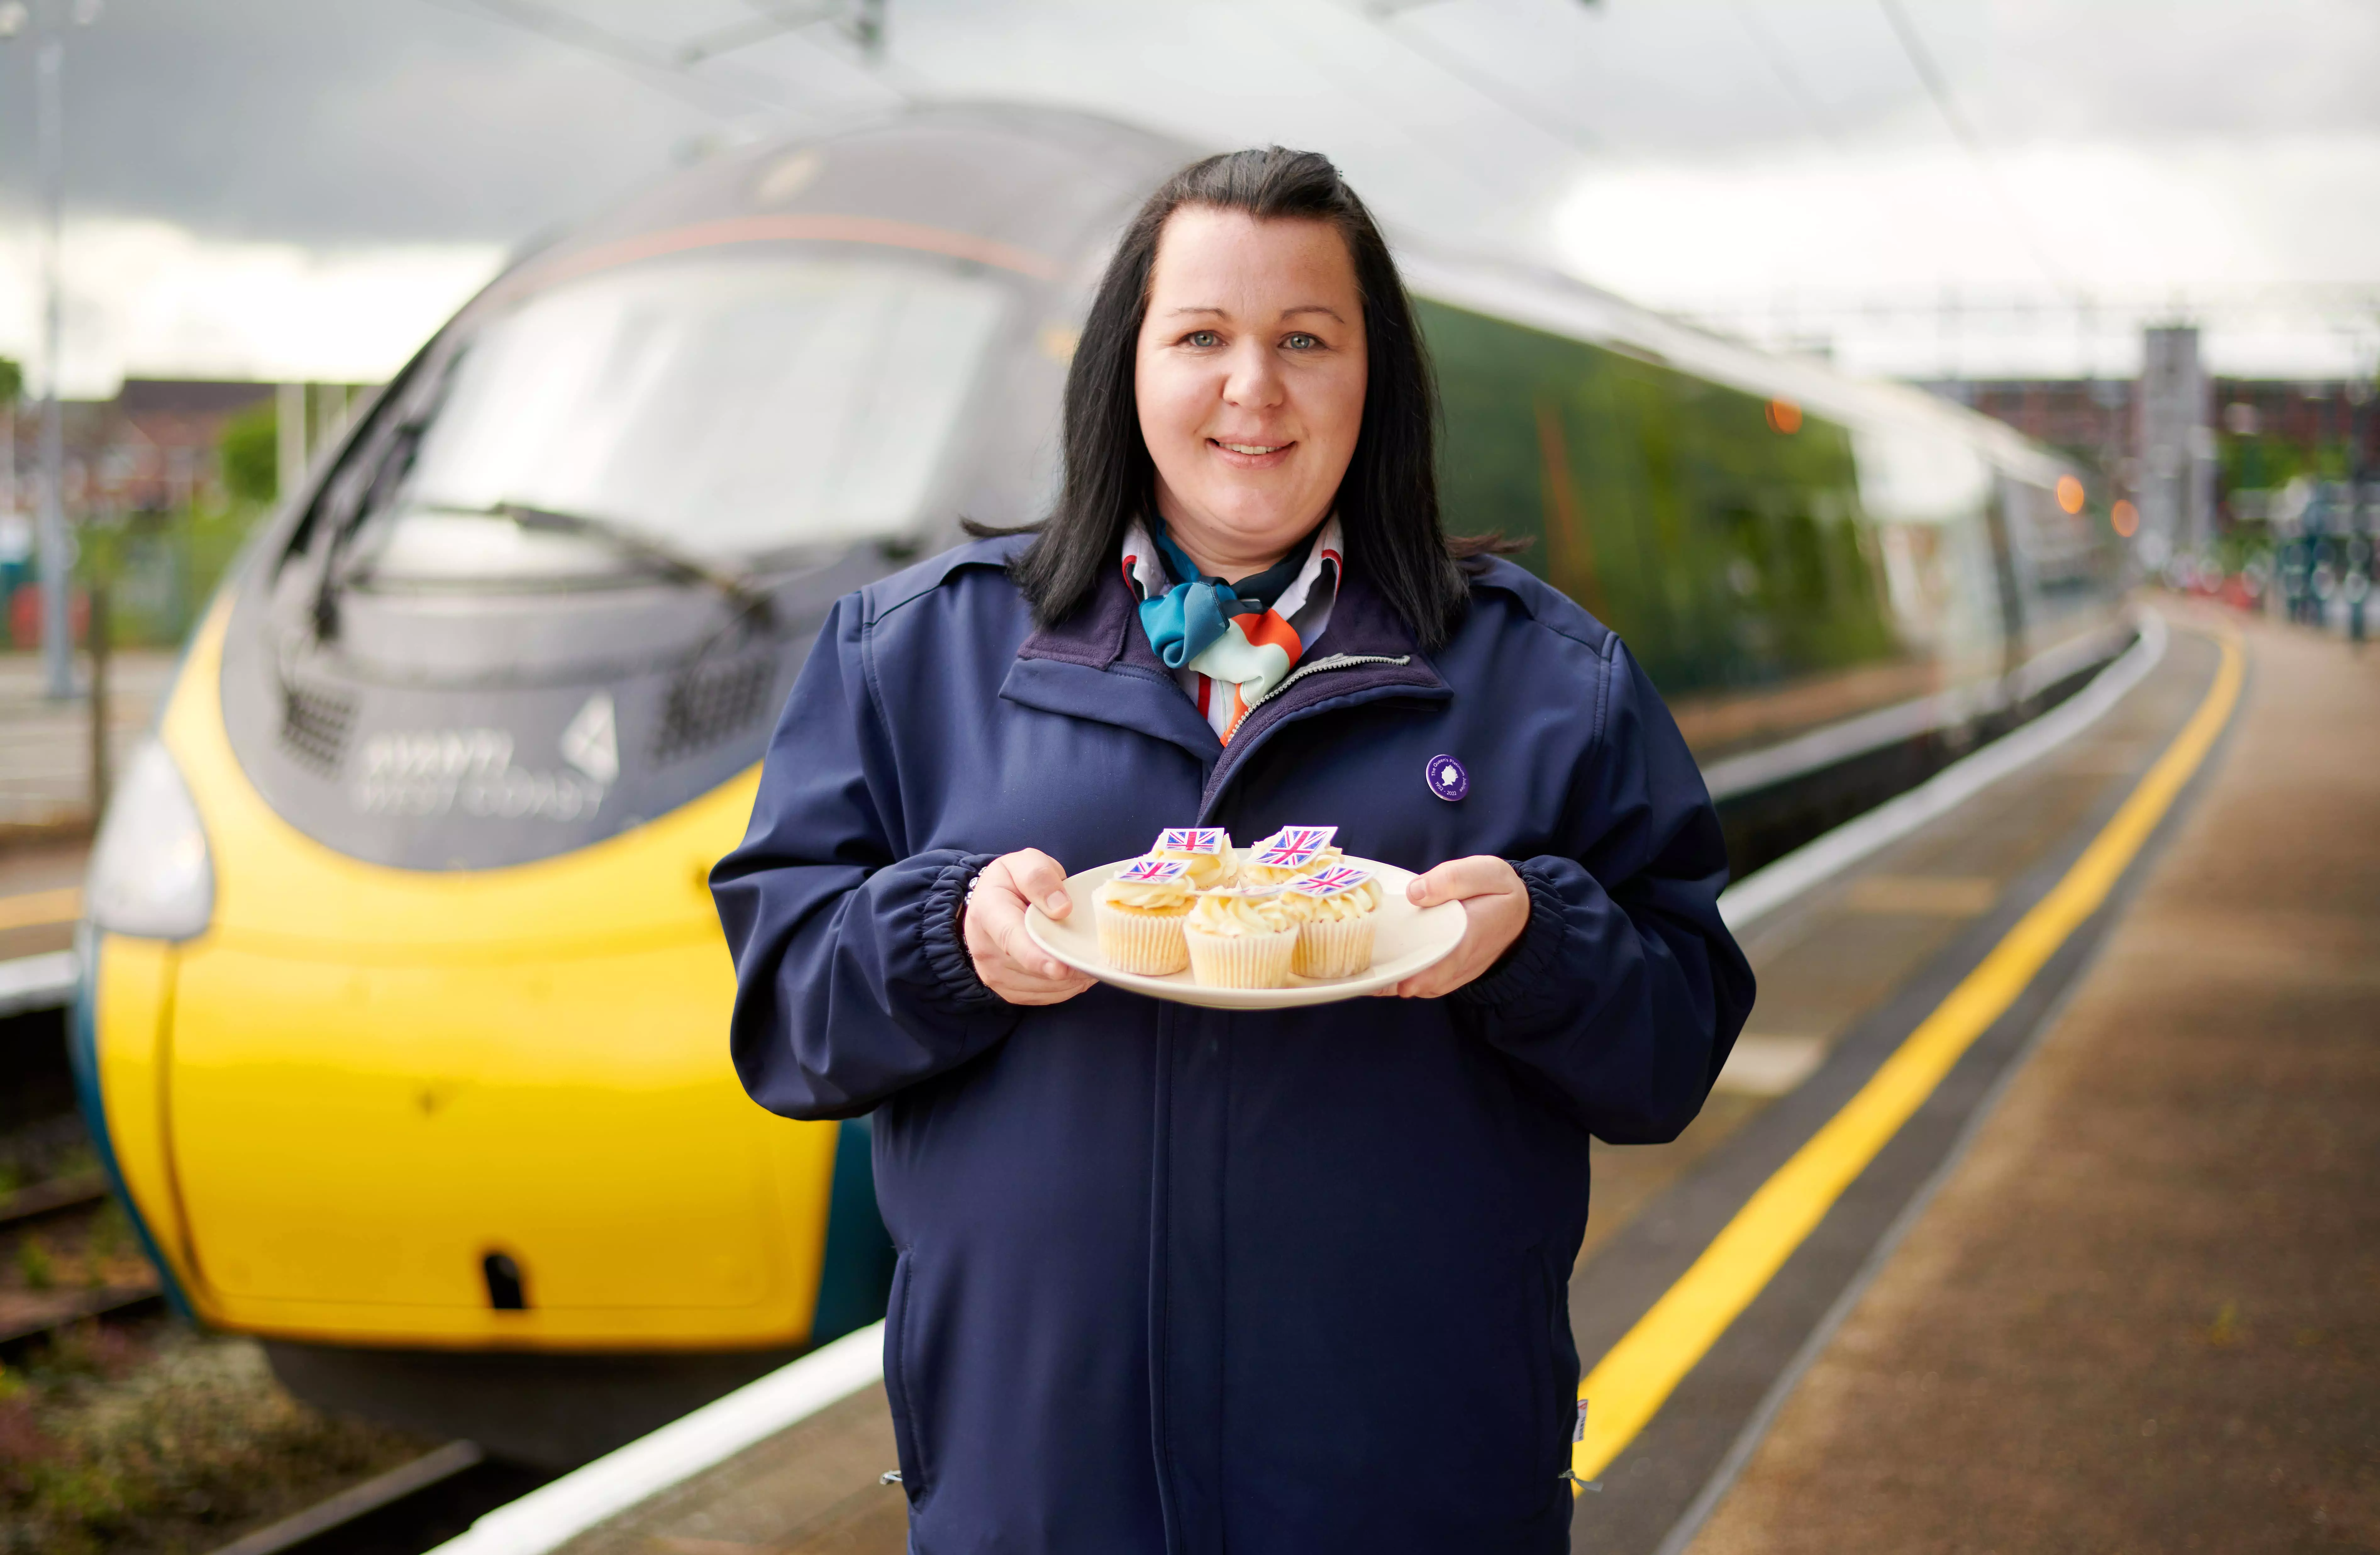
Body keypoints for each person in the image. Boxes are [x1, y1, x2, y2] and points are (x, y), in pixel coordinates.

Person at [712, 147, 1755, 1554]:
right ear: (1122, 369)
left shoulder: (1545, 680)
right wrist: (941, 940)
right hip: (1038, 1497)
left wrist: (1544, 936)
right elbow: (785, 1025)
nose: (1250, 388)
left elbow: (1672, 1052)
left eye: (1304, 341)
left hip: (1416, 1496)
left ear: (1372, 376)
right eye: (1199, 336)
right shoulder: (914, 657)